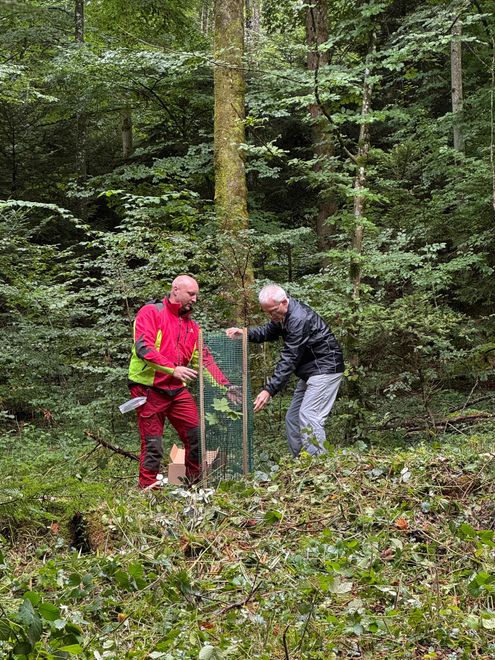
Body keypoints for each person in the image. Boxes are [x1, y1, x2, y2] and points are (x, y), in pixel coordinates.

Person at [128, 275, 238, 488]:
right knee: (153, 443)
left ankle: (194, 485)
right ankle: (148, 489)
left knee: (196, 435)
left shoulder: (192, 327)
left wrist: (226, 386)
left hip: (176, 390)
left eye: (196, 295)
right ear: (175, 290)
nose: (195, 299)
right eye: (191, 294)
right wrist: (173, 369)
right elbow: (144, 349)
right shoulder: (151, 312)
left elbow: (204, 361)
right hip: (147, 388)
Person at [226, 284, 344, 457]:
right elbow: (267, 332)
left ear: (284, 302)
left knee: (309, 415)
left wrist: (269, 390)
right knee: (293, 418)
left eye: (273, 311)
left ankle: (319, 463)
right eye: (267, 312)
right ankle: (301, 461)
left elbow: (290, 358)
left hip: (326, 368)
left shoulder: (298, 318)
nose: (271, 316)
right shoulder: (282, 316)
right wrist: (245, 334)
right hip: (311, 372)